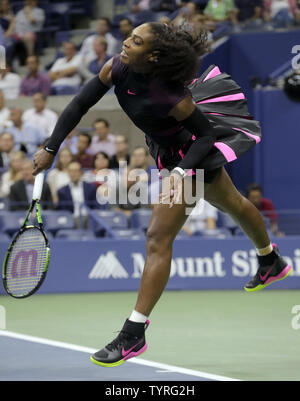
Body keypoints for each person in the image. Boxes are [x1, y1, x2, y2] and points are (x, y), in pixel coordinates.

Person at [33, 22, 292, 367]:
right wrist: (52, 147)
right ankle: (270, 259)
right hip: (167, 150)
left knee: (157, 237)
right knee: (231, 202)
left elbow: (205, 137)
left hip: (191, 155)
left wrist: (182, 173)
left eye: (136, 41)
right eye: (129, 37)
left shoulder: (170, 95)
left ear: (153, 56)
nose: (126, 43)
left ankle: (133, 333)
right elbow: (80, 104)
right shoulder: (117, 67)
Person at [57, 161, 99, 227]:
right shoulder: (62, 191)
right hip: (71, 219)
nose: (73, 174)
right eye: (70, 171)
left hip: (89, 218)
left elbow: (95, 206)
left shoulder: (91, 187)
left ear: (81, 173)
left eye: (75, 171)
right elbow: (62, 210)